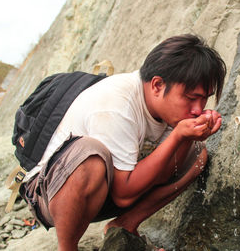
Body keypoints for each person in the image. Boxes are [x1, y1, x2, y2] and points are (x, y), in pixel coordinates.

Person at [20, 34, 227, 251]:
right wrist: (178, 135)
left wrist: (186, 138)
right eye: (191, 97)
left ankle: (124, 226)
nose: (197, 109)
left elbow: (165, 174)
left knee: (197, 156)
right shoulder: (117, 104)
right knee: (90, 156)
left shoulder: (166, 109)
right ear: (157, 85)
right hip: (50, 192)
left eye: (204, 98)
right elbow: (123, 195)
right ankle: (68, 247)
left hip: (105, 188)